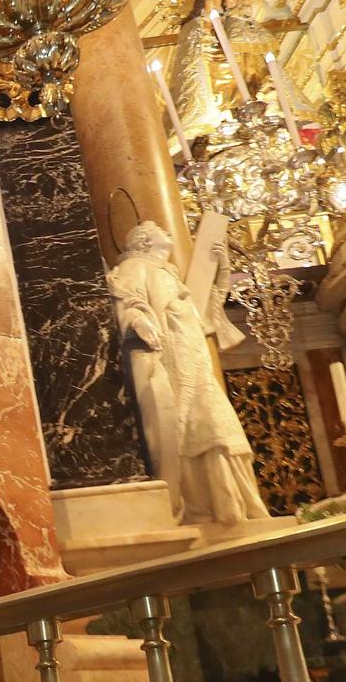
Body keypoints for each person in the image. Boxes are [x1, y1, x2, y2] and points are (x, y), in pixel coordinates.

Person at [105, 219, 270, 526]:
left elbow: (207, 310)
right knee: (184, 425)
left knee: (213, 420)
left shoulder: (169, 273)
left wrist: (223, 267)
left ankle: (235, 504)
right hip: (170, 356)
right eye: (157, 228)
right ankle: (205, 506)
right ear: (142, 241)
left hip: (193, 354)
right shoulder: (134, 267)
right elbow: (126, 301)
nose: (167, 231)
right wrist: (138, 322)